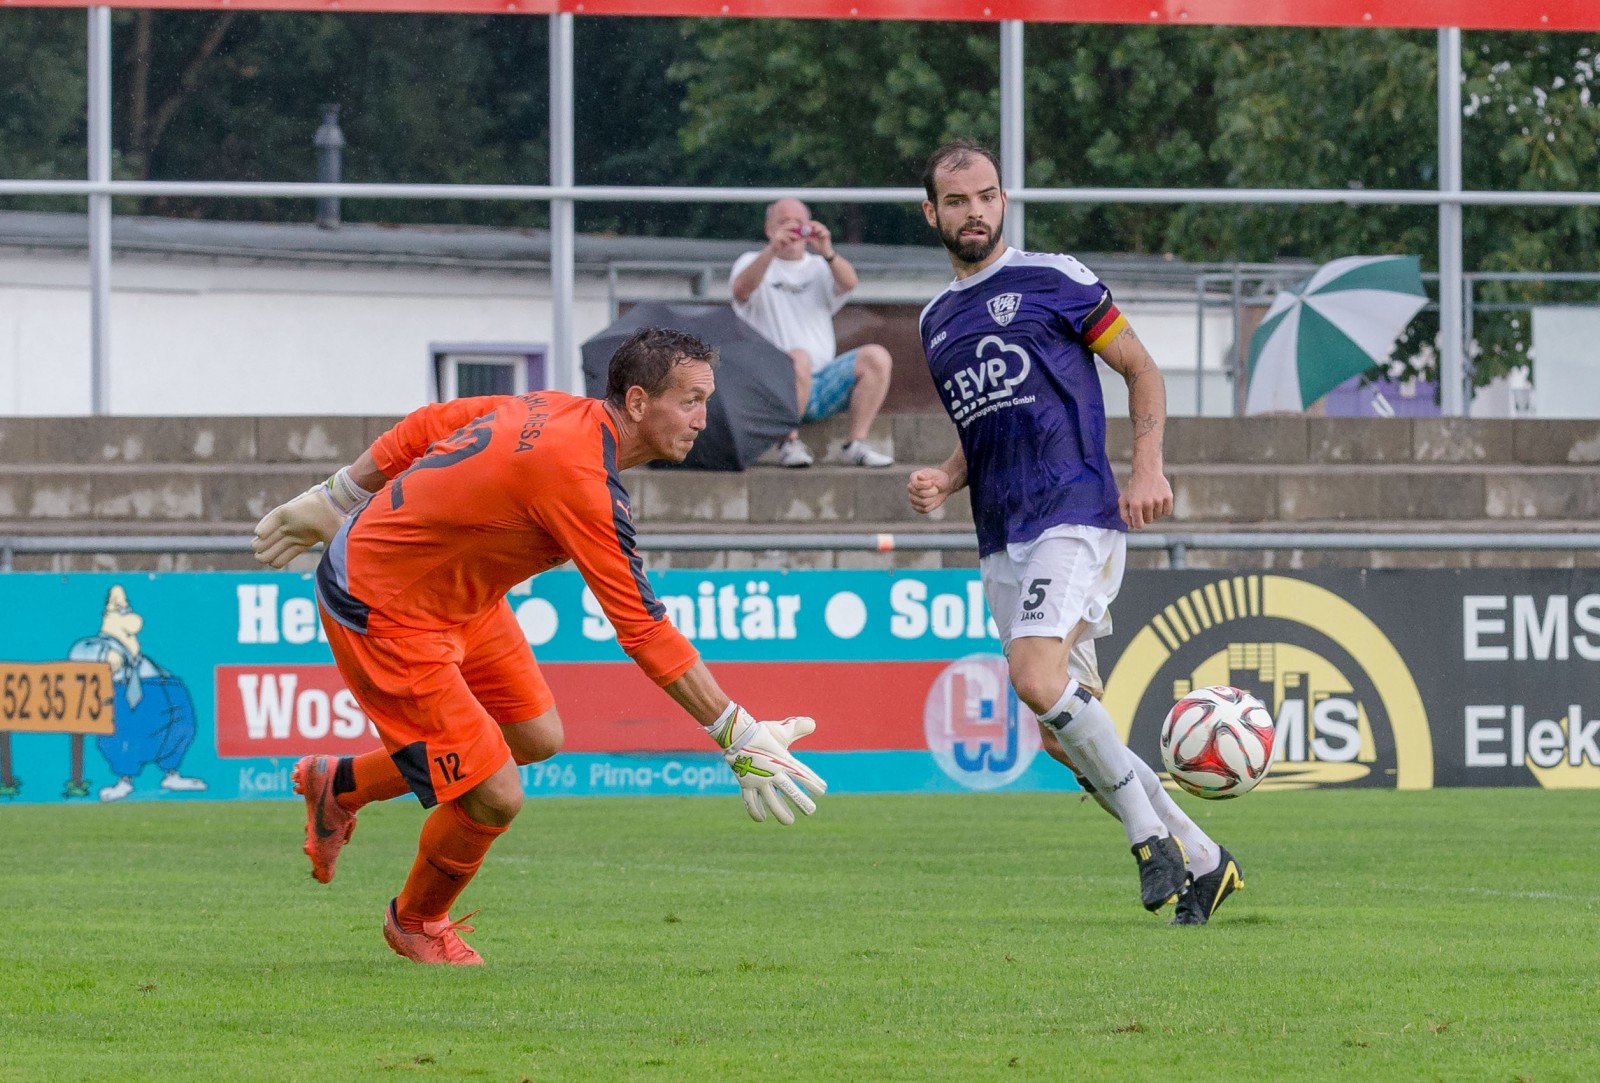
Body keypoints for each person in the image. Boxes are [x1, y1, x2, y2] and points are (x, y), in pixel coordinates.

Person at [251, 327, 827, 966]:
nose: (702, 418)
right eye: (691, 400)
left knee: (535, 738)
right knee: (494, 793)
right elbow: (641, 625)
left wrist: (340, 495)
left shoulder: (552, 409)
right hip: (384, 608)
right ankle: (415, 921)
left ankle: (341, 784)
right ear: (637, 402)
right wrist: (738, 735)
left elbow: (430, 423)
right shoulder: (580, 476)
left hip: (460, 595)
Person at [907, 140, 1240, 926]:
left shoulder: (1057, 278)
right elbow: (984, 424)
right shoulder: (933, 321)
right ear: (933, 214)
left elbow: (1141, 366)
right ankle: (1204, 858)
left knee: (1032, 674)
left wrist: (1148, 468)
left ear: (1003, 200)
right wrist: (943, 478)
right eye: (956, 202)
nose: (974, 212)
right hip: (1000, 533)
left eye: (986, 195)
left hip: (1075, 510)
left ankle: (1146, 836)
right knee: (1065, 734)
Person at [729, 198, 896, 469]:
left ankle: (856, 444)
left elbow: (850, 283)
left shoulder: (820, 266)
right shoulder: (752, 262)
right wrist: (773, 250)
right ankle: (788, 441)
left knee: (876, 357)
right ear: (768, 228)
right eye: (784, 223)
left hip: (822, 382)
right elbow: (740, 291)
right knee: (798, 359)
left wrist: (827, 251)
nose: (792, 229)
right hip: (771, 387)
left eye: (798, 223)